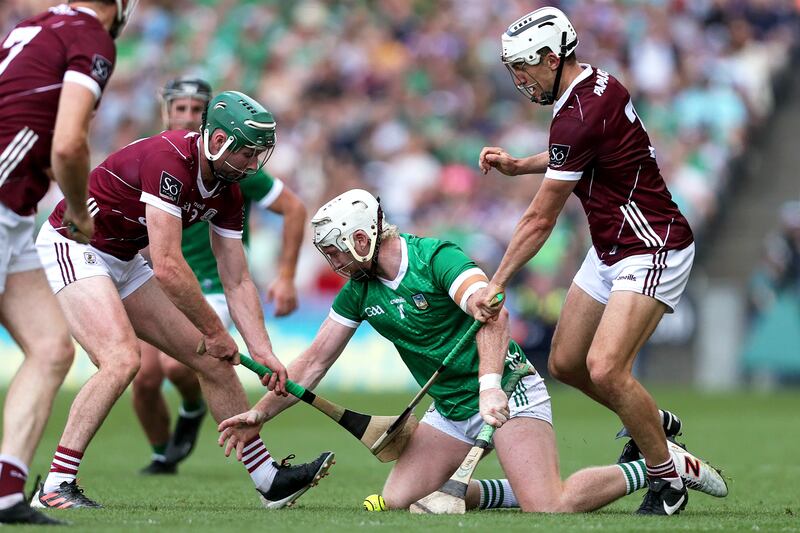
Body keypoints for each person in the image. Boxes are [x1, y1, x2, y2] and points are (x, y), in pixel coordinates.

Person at [216, 189, 726, 513]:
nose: (331, 261)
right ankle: (501, 489)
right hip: (451, 410)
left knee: (550, 506)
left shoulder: (437, 258)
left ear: (361, 236)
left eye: (334, 250)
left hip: (507, 392)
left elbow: (492, 313)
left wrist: (488, 388)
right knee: (398, 499)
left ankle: (664, 465)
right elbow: (313, 363)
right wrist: (259, 414)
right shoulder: (359, 290)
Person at [30, 90, 333, 510]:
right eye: (246, 153)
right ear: (218, 141)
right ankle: (55, 485)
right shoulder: (170, 160)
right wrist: (214, 330)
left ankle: (268, 480)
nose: (252, 164)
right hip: (73, 244)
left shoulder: (229, 190)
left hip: (121, 257)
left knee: (212, 362)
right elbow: (169, 265)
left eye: (257, 155)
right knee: (121, 359)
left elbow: (237, 277)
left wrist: (263, 352)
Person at [475, 7, 698, 515]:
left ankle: (668, 480)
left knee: (605, 368)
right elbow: (571, 153)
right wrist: (519, 165)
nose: (519, 79)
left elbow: (539, 219)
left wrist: (498, 282)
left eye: (523, 67)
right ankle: (654, 424)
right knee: (566, 363)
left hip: (653, 244)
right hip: (610, 245)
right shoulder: (592, 86)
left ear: (553, 58)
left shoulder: (579, 114)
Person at [0, 0, 136, 525]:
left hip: (13, 210)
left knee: (52, 349)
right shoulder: (91, 37)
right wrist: (80, 211)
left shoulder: (37, 26)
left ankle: (9, 493)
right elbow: (68, 144)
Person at [132, 77, 307, 475]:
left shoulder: (235, 166)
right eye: (182, 109)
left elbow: (295, 209)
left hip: (208, 285)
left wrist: (286, 276)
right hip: (155, 280)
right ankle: (164, 456)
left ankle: (195, 406)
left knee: (180, 365)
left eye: (198, 110)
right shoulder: (156, 158)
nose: (189, 117)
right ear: (167, 112)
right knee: (142, 378)